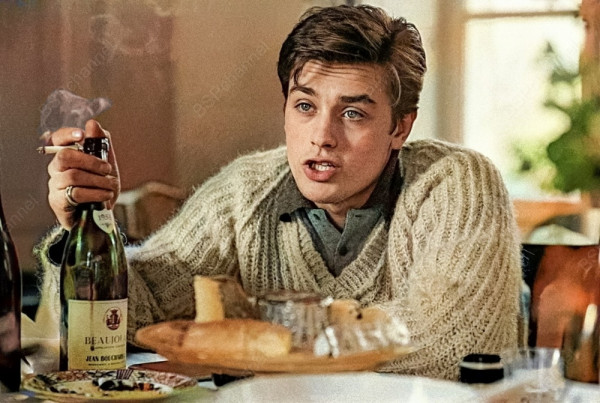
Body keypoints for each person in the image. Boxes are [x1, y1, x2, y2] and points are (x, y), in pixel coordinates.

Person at [35, 5, 521, 380]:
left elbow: (450, 346)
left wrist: (254, 336)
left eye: (353, 113)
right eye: (305, 106)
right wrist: (84, 228)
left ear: (400, 127)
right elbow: (134, 315)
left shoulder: (456, 182)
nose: (322, 136)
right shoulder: (245, 191)